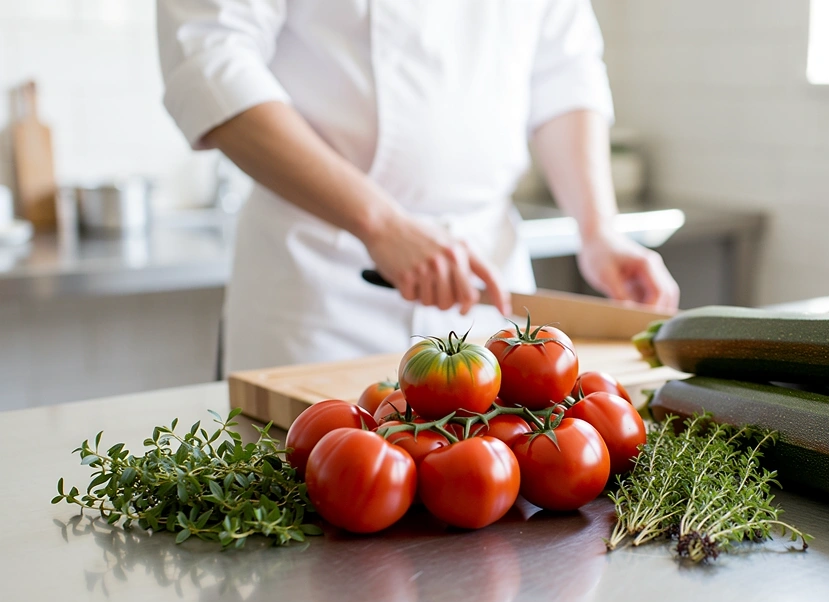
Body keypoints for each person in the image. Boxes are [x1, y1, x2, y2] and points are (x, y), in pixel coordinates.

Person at [157, 0, 680, 373]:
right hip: (321, 289)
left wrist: (598, 230)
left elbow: (564, 72)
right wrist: (380, 223)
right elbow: (209, 62)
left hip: (486, 279)